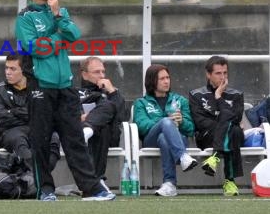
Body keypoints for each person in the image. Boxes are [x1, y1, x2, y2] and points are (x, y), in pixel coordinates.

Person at [14, 0, 115, 201]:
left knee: (75, 140)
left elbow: (75, 35)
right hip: (41, 86)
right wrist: (59, 40)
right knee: (40, 141)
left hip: (65, 87)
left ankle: (91, 189)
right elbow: (33, 48)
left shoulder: (59, 11)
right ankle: (45, 190)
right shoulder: (25, 17)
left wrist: (58, 15)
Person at [133, 64, 198, 197]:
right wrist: (164, 121)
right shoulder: (141, 103)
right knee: (166, 123)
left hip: (178, 139)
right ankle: (183, 156)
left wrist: (182, 121)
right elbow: (141, 125)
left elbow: (191, 128)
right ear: (152, 81)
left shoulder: (180, 100)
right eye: (162, 78)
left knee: (164, 139)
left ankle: (170, 184)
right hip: (151, 140)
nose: (166, 81)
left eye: (167, 77)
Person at [0, 54, 61, 172]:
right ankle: (37, 177)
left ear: (24, 70)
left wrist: (13, 111)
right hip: (11, 131)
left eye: (12, 69)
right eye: (6, 68)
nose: (8, 72)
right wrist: (31, 114)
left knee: (53, 137)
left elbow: (47, 113)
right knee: (19, 139)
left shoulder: (39, 88)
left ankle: (41, 177)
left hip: (38, 128)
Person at [189, 55, 244, 196]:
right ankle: (230, 181)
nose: (223, 77)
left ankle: (214, 157)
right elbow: (200, 122)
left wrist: (219, 96)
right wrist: (224, 121)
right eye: (218, 73)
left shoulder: (236, 95)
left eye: (225, 73)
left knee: (235, 131)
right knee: (234, 130)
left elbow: (236, 117)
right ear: (208, 74)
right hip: (206, 137)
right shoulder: (196, 95)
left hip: (228, 136)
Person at [78, 56, 129, 189]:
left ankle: (88, 129)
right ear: (84, 74)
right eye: (96, 72)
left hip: (108, 137)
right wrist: (79, 118)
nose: (101, 75)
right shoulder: (74, 93)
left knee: (106, 114)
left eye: (103, 71)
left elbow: (121, 116)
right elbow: (65, 114)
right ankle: (97, 180)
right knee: (100, 126)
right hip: (78, 136)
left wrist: (112, 92)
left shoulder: (110, 93)